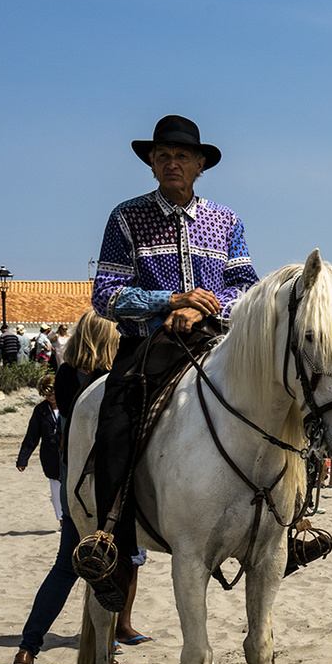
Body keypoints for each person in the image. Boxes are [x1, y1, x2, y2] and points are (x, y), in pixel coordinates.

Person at [82, 114, 259, 611]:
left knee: (279, 404)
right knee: (116, 421)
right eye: (162, 155)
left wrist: (203, 307)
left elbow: (245, 286)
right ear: (151, 163)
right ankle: (108, 538)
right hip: (148, 347)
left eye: (182, 156)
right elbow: (107, 295)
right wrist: (170, 302)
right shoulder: (126, 217)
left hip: (217, 342)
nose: (171, 162)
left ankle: (291, 522)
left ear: (201, 165)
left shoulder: (227, 220)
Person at [9, 311, 145, 664]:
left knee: (64, 570)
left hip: (73, 485)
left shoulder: (67, 375)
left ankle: (27, 648)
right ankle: (108, 652)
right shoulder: (112, 378)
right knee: (116, 565)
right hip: (107, 487)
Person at [17, 375, 64, 524]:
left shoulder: (69, 406)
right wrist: (23, 459)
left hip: (69, 454)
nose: (51, 397)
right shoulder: (41, 410)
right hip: (49, 456)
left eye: (54, 393)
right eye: (47, 395)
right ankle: (62, 523)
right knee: (56, 491)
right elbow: (32, 436)